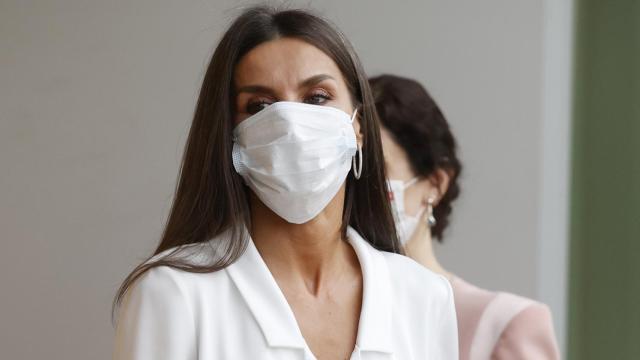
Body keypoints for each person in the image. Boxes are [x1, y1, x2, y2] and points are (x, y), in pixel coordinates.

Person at [112, 7, 458, 360]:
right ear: (232, 136)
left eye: (317, 98)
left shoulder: (423, 297)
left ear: (358, 126)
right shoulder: (173, 293)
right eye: (260, 105)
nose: (291, 124)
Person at [371, 74, 560, 359]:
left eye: (378, 171)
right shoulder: (316, 315)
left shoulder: (505, 326)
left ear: (436, 183)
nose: (359, 189)